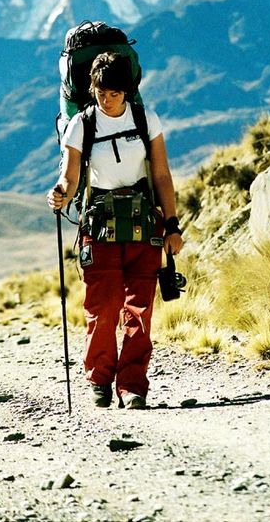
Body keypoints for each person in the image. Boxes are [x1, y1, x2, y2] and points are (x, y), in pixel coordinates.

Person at [47, 51, 183, 409]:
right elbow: (71, 176)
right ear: (91, 89)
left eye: (114, 93)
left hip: (144, 226)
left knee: (140, 309)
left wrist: (172, 225)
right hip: (100, 225)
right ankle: (100, 381)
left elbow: (162, 175)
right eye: (100, 93)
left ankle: (133, 386)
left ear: (127, 90)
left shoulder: (144, 118)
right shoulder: (82, 124)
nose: (107, 100)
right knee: (102, 308)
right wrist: (60, 193)